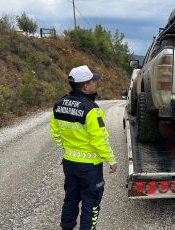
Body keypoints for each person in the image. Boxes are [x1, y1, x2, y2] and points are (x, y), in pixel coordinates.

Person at [50, 65, 118, 230]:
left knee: (71, 199)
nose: (95, 84)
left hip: (69, 163)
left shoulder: (58, 104)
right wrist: (111, 160)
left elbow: (56, 134)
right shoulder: (92, 109)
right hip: (89, 167)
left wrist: (68, 148)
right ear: (86, 86)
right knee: (91, 204)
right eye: (92, 81)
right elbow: (99, 139)